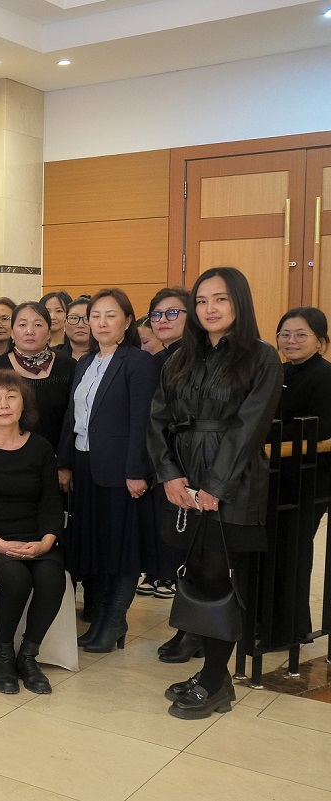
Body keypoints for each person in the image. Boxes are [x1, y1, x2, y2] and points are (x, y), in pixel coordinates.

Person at [148, 266, 282, 720]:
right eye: (202, 301)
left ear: (239, 303)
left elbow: (249, 428)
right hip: (184, 482)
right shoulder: (179, 358)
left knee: (222, 579)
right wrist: (168, 475)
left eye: (220, 300)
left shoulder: (261, 357)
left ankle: (215, 679)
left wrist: (216, 487)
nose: (209, 309)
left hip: (234, 484)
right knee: (197, 577)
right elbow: (158, 421)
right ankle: (214, 674)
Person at [57, 289, 158, 653]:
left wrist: (136, 470)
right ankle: (99, 618)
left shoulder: (137, 363)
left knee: (122, 548)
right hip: (85, 466)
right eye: (94, 315)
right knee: (97, 545)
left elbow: (141, 422)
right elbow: (74, 416)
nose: (100, 323)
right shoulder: (85, 363)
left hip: (121, 471)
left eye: (110, 315)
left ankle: (115, 619)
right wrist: (65, 462)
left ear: (128, 321)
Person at [0, 371, 66, 695]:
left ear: (23, 404)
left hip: (36, 535)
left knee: (51, 578)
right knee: (17, 577)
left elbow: (50, 502)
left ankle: (27, 656)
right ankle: (4, 657)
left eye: (11, 396)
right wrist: (0, 544)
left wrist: (45, 542)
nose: (4, 404)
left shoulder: (41, 447)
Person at [268, 307, 331, 649]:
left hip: (307, 482)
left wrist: (264, 434)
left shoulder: (324, 375)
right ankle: (271, 623)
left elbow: (320, 428)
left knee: (292, 553)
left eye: (300, 334)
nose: (290, 341)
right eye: (284, 334)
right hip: (274, 477)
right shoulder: (278, 371)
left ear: (321, 341)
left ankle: (289, 629)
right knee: (273, 552)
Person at [147, 287, 195, 658]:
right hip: (169, 466)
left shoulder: (193, 357)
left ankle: (195, 631)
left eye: (172, 313)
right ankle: (187, 627)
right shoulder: (168, 357)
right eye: (157, 315)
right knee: (179, 551)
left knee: (193, 554)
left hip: (192, 467)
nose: (162, 321)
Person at [0, 302, 76, 449]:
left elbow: (73, 418)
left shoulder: (68, 365)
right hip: (10, 455)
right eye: (22, 325)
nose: (29, 331)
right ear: (12, 332)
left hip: (58, 454)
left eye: (38, 325)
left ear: (49, 332)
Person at [65, 297, 93, 362]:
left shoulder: (107, 356)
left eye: (87, 318)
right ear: (64, 323)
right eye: (74, 318)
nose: (80, 325)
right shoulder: (54, 356)